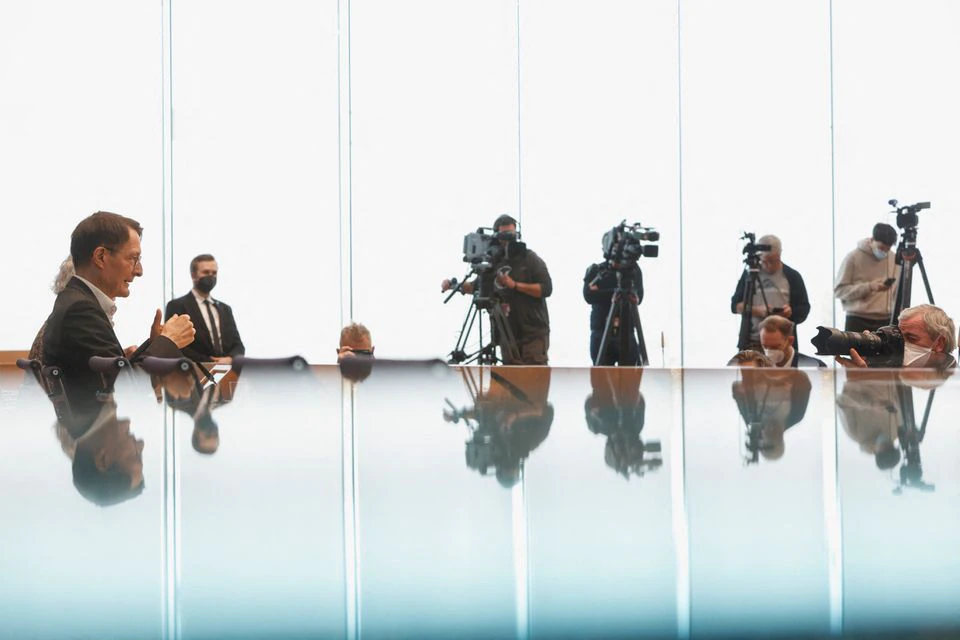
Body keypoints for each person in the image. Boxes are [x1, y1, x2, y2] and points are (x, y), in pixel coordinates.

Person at [42, 212, 196, 387]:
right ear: (101, 257)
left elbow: (115, 377)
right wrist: (169, 341)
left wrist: (154, 344)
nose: (139, 271)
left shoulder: (74, 299)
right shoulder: (81, 309)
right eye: (133, 258)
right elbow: (126, 390)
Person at [441, 214, 552, 365]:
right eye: (504, 235)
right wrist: (453, 286)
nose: (509, 240)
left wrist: (515, 285)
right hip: (507, 334)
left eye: (512, 235)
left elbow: (546, 289)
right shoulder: (495, 262)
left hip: (532, 333)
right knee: (509, 382)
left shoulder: (529, 258)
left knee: (533, 380)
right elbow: (476, 287)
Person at [731, 234, 810, 350]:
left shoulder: (793, 276)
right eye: (765, 261)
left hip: (783, 343)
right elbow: (734, 306)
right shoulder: (750, 275)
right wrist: (758, 311)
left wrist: (790, 313)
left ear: (780, 255)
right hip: (753, 342)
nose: (769, 265)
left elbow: (804, 309)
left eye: (773, 261)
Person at [165, 254, 245, 364]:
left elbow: (238, 345)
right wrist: (210, 362)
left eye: (214, 273)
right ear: (193, 275)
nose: (211, 276)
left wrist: (230, 359)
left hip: (227, 371)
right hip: (194, 371)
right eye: (206, 272)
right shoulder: (177, 305)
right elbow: (175, 344)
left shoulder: (225, 309)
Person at [836, 303, 957, 369]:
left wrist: (869, 380)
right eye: (899, 336)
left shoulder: (951, 387)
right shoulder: (890, 369)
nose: (900, 343)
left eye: (911, 338)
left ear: (939, 343)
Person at [835, 223, 898, 332]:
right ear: (872, 239)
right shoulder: (853, 257)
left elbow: (897, 292)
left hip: (886, 319)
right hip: (858, 319)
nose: (884, 252)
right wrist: (869, 287)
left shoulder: (895, 259)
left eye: (887, 249)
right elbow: (839, 291)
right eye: (881, 248)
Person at [582, 257, 643, 366]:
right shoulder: (598, 270)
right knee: (602, 378)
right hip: (601, 332)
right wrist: (615, 293)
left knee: (630, 378)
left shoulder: (633, 271)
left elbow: (639, 297)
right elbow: (589, 296)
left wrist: (602, 292)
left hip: (626, 331)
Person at [758, 315, 826, 368]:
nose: (769, 352)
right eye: (765, 346)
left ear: (790, 341)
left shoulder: (815, 366)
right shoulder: (756, 367)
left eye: (775, 347)